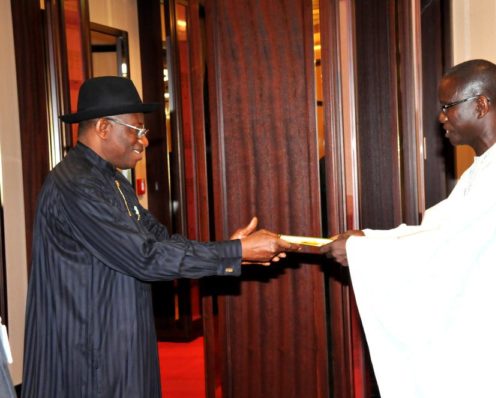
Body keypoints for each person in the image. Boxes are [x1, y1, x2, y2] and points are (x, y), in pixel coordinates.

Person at [321, 60, 496, 397]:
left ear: (481, 104)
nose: (441, 117)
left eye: (448, 106)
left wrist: (361, 251)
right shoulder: (491, 166)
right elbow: (440, 227)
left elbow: (447, 247)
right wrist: (370, 238)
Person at [21, 76, 298, 398]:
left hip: (117, 340)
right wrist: (234, 252)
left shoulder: (109, 179)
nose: (144, 141)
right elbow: (144, 258)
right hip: (89, 351)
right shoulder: (77, 184)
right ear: (102, 128)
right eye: (137, 130)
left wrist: (234, 249)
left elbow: (159, 241)